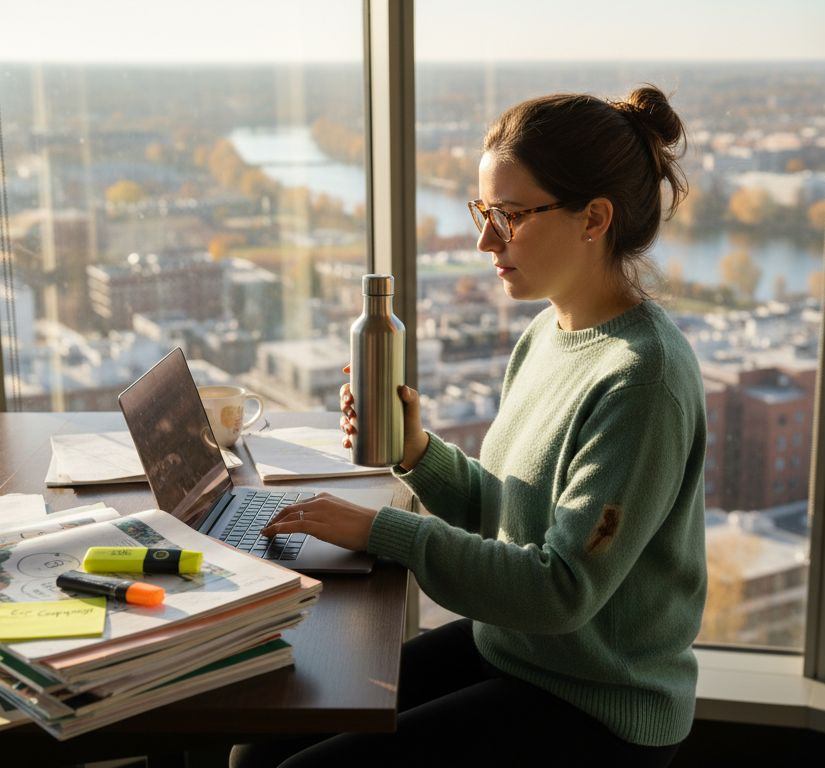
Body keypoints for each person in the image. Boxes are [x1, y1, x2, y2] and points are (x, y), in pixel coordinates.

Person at [232, 86, 707, 768]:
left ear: (594, 218)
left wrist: (380, 531)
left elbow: (561, 588)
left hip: (599, 703)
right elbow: (510, 518)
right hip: (518, 650)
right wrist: (418, 452)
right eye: (484, 211)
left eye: (510, 216)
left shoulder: (644, 379)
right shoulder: (548, 333)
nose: (484, 239)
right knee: (259, 750)